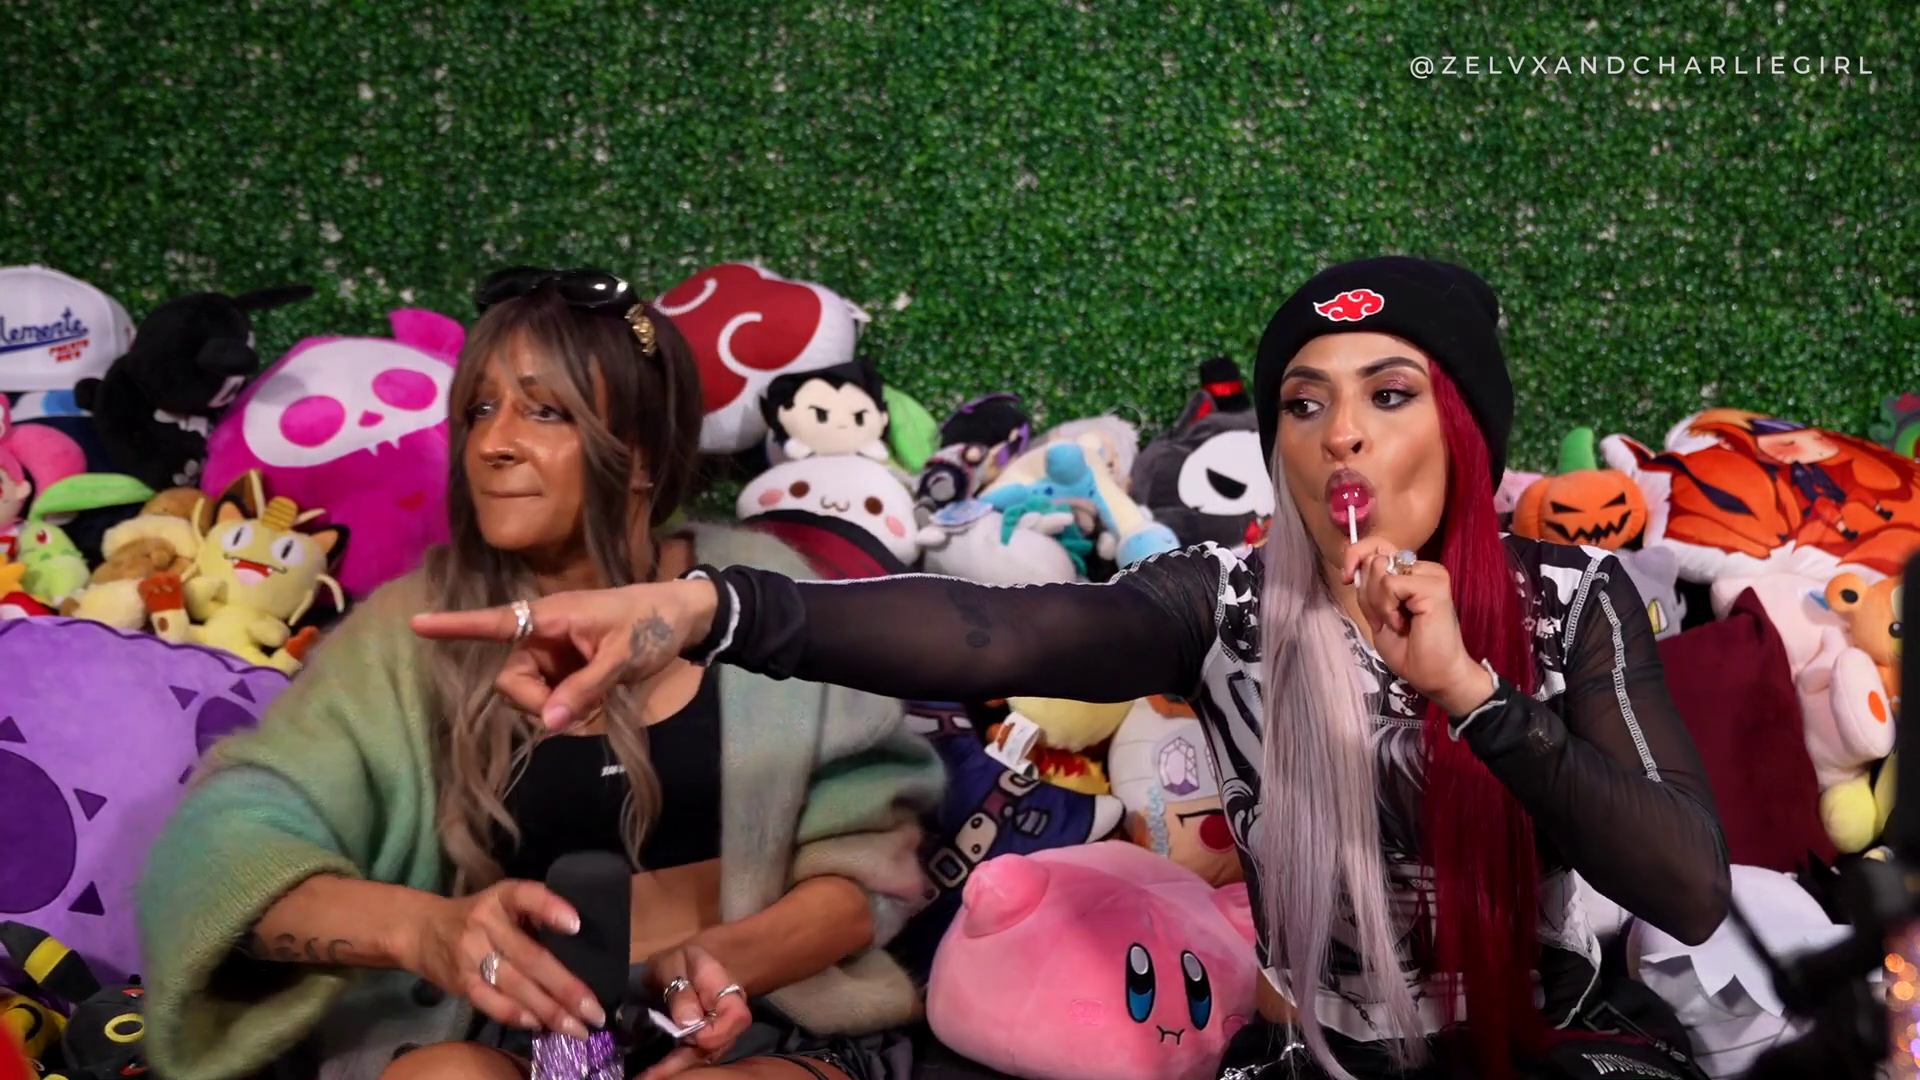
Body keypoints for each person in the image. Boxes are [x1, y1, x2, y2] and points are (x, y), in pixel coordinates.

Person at [415, 258, 1733, 1080]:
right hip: (1325, 1055)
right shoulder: (1218, 599)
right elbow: (993, 634)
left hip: (1546, 1040)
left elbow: (1684, 886)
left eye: (1389, 395)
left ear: (1461, 429)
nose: (1341, 434)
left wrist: (1473, 696)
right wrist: (706, 607)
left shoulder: (1573, 597)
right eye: (1304, 401)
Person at [136, 269, 946, 1080]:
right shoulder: (411, 629)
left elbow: (869, 863)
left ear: (642, 451)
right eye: (479, 409)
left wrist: (723, 964)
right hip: (505, 1030)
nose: (492, 442)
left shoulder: (753, 594)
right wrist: (423, 931)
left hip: (758, 1016)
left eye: (545, 411)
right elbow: (218, 846)